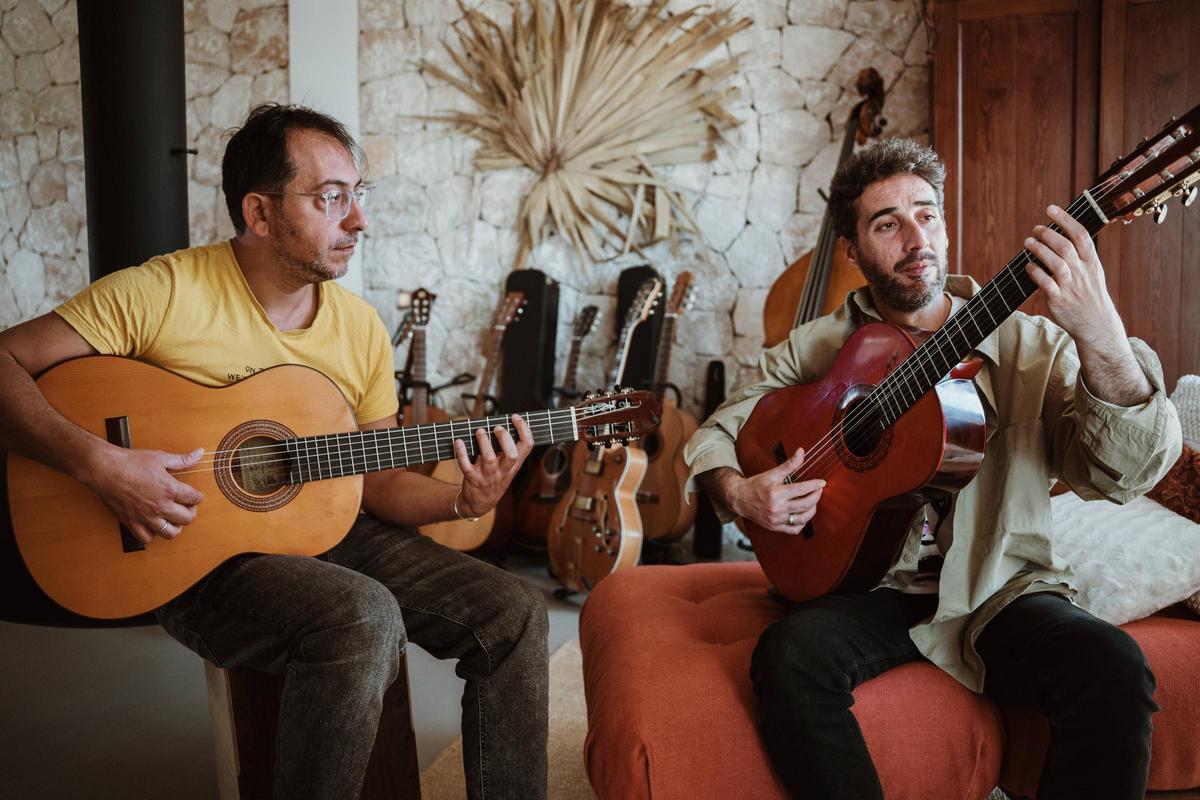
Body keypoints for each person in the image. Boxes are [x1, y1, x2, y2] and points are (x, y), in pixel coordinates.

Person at [0, 104, 547, 800]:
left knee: (517, 612)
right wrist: (99, 463)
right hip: (190, 553)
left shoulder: (358, 327)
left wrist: (460, 499)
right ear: (259, 214)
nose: (359, 221)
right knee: (360, 616)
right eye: (330, 199)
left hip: (328, 530)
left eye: (358, 196)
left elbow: (377, 482)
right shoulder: (161, 291)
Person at [685, 138, 1182, 799]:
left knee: (1114, 668)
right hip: (862, 590)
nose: (915, 237)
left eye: (926, 214)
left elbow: (1128, 472)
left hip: (996, 591)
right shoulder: (822, 346)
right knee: (789, 656)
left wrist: (1103, 338)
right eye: (887, 224)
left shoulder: (1034, 346)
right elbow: (721, 427)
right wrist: (741, 492)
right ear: (855, 252)